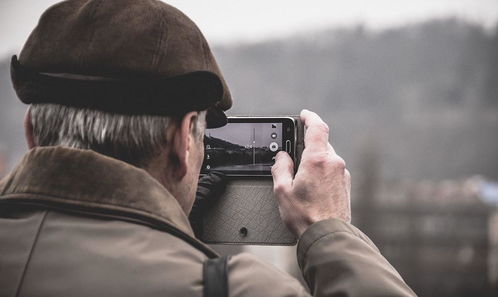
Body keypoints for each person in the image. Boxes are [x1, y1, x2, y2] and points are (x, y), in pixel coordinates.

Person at [0, 1, 417, 296]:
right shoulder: (237, 289)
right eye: (201, 137)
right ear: (184, 142)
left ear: (32, 132)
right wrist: (330, 230)